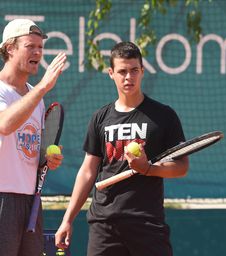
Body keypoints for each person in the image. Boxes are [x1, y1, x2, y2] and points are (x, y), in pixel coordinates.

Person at [55, 41, 189, 256]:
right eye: (122, 71)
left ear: (142, 71)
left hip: (147, 224)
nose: (129, 77)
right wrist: (67, 219)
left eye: (134, 70)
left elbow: (181, 167)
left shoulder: (164, 115)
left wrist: (148, 169)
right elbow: (88, 171)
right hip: (104, 224)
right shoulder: (100, 117)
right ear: (111, 73)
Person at [0, 18, 66, 256]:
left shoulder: (36, 98)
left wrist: (46, 159)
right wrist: (42, 88)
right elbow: (5, 125)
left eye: (40, 47)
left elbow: (29, 150)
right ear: (10, 48)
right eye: (31, 46)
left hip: (31, 201)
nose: (38, 52)